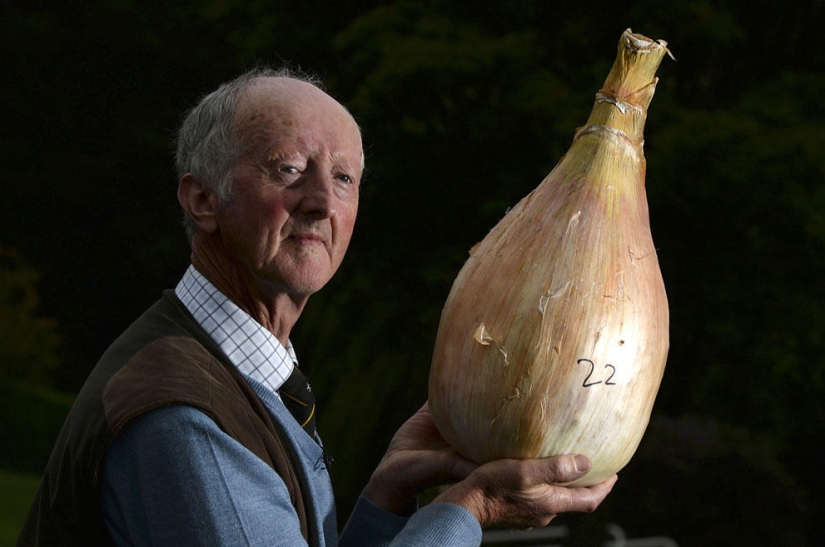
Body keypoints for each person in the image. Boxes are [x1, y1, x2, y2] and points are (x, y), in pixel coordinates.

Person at [17, 68, 617, 547]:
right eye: (289, 169)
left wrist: (384, 499)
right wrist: (469, 508)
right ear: (203, 199)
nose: (321, 202)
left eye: (344, 178)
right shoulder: (185, 417)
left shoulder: (239, 369)